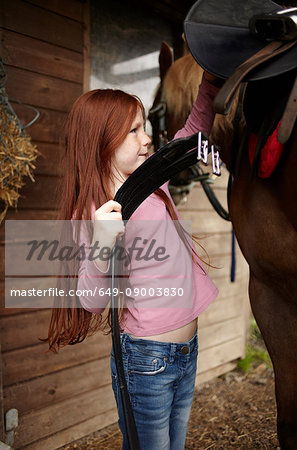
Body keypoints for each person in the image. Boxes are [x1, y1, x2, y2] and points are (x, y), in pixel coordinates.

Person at [46, 71, 221, 450]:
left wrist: (211, 81)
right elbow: (91, 301)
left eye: (145, 128)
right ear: (101, 142)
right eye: (134, 131)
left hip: (185, 350)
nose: (147, 140)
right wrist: (102, 246)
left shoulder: (149, 178)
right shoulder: (91, 213)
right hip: (147, 361)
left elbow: (189, 136)